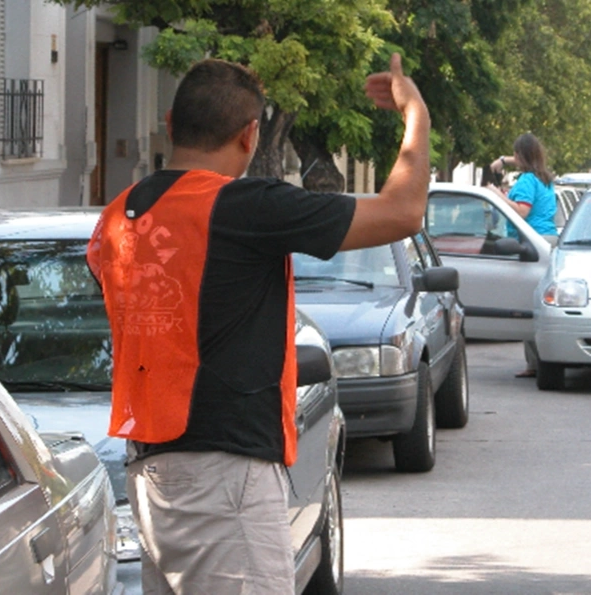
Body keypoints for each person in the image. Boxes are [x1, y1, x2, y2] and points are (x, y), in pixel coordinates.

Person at [86, 54, 429, 594]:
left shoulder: (117, 217)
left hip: (149, 476)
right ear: (250, 135)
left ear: (172, 124)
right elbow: (402, 212)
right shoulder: (244, 207)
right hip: (226, 477)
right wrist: (416, 118)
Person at [487, 133, 557, 379]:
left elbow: (522, 212)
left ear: (522, 156)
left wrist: (497, 196)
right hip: (547, 239)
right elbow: (519, 159)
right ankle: (537, 361)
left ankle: (536, 363)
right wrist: (502, 161)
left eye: (515, 154)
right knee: (540, 302)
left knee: (530, 305)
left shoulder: (527, 180)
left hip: (530, 242)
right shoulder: (545, 178)